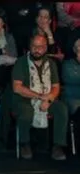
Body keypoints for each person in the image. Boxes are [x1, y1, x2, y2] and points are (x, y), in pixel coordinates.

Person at [12, 33, 69, 161]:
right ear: (30, 47)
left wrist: (49, 99)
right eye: (34, 46)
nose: (37, 50)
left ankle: (57, 146)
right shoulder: (21, 62)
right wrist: (40, 97)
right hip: (25, 98)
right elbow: (17, 87)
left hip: (46, 97)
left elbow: (56, 86)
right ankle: (24, 143)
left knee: (61, 109)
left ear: (46, 48)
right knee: (26, 111)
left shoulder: (51, 63)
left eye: (41, 47)